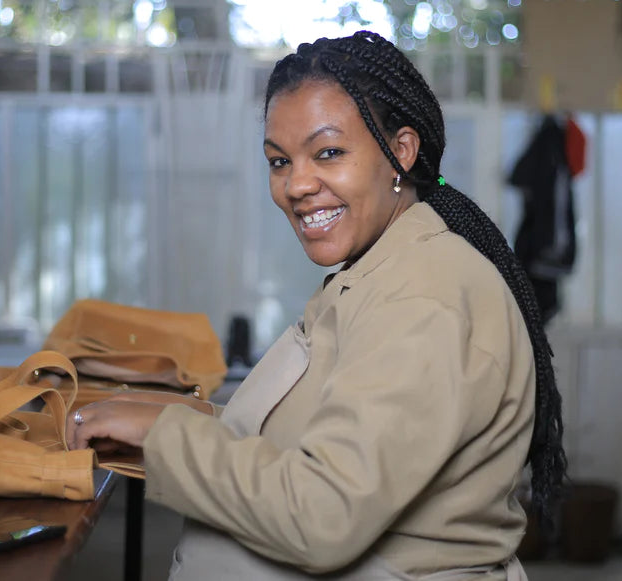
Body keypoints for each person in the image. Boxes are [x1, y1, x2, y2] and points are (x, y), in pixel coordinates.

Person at [67, 31, 566, 579]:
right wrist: (164, 417)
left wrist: (166, 438)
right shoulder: (378, 272)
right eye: (279, 162)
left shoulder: (424, 297)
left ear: (401, 151)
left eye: (328, 152)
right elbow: (298, 439)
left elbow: (324, 515)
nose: (296, 185)